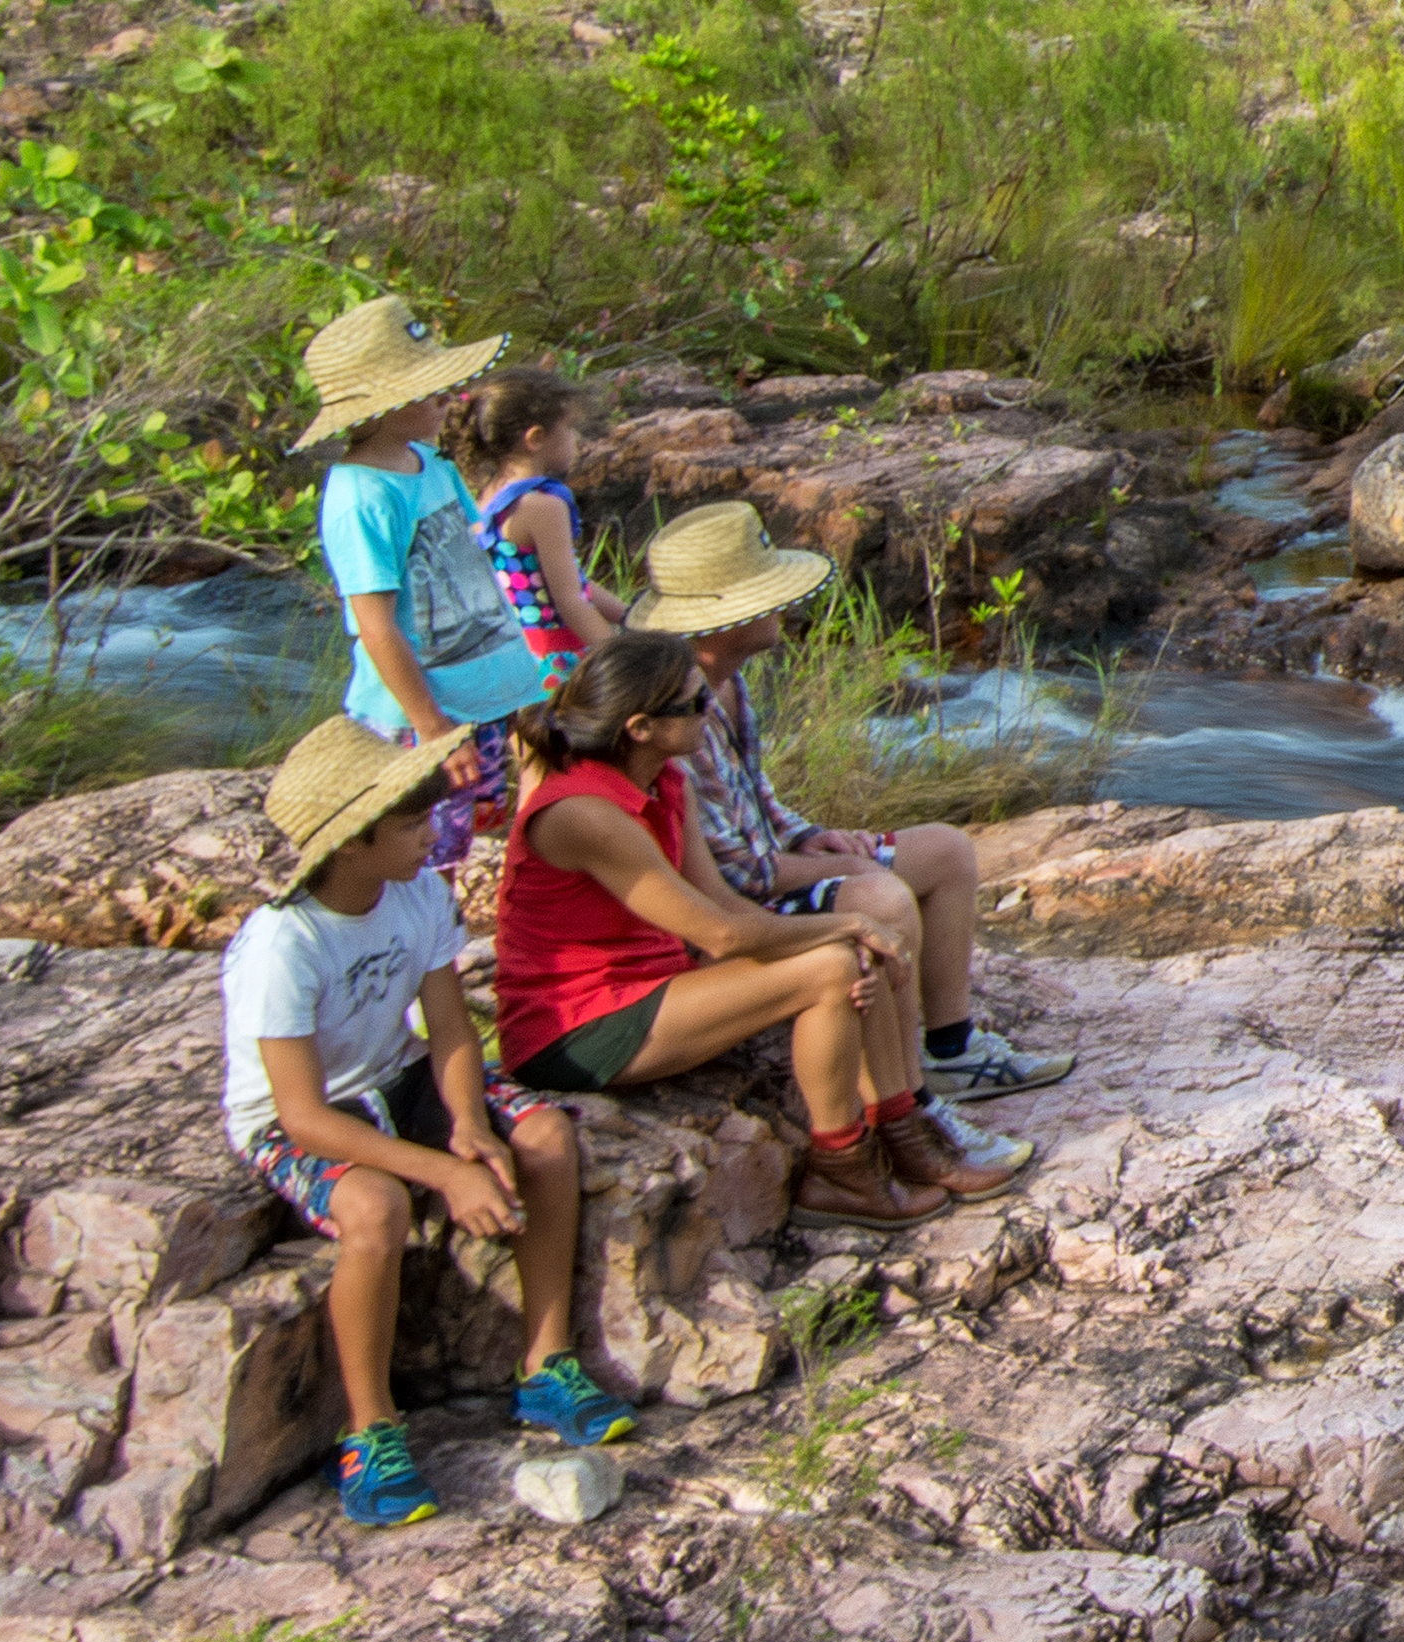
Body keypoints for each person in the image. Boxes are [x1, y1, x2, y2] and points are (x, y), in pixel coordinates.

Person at [228, 716, 631, 1531]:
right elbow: (301, 1113)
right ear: (350, 843)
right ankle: (370, 1429)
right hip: (301, 1112)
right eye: (411, 824)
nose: (431, 835)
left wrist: (467, 1125)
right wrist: (443, 1171)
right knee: (373, 1209)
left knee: (544, 1137)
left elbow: (448, 1028)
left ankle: (548, 1361)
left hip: (398, 1073)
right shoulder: (284, 943)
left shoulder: (417, 892)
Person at [490, 629, 1028, 1226]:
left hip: (653, 982)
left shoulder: (665, 779)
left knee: (852, 951)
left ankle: (905, 1139)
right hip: (576, 1028)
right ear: (640, 727)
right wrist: (849, 923)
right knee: (834, 965)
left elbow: (722, 900)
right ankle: (843, 1172)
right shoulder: (584, 812)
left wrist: (853, 931)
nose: (709, 711)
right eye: (694, 705)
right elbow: (721, 933)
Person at [628, 502, 1072, 1110]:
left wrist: (811, 835)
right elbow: (737, 874)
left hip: (766, 874)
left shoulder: (728, 681)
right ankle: (901, 1091)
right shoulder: (683, 713)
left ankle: (952, 1047)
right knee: (878, 893)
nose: (783, 607)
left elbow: (759, 801)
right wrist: (847, 869)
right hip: (729, 911)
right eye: (768, 594)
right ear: (721, 621)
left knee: (945, 849)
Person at [298, 294, 558, 869]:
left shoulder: (430, 462)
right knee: (417, 857)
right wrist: (433, 727)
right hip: (422, 719)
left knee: (457, 846)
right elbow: (375, 626)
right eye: (432, 386)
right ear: (384, 404)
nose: (451, 395)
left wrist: (519, 686)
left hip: (482, 700)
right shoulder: (361, 496)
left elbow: (477, 572)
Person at [453, 370, 623, 666]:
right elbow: (570, 600)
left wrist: (628, 614)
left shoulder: (488, 497)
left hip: (520, 659)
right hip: (559, 660)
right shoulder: (543, 505)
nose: (576, 438)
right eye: (569, 428)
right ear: (536, 438)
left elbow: (570, 580)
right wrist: (624, 663)